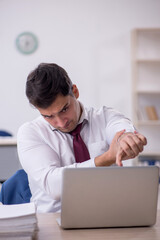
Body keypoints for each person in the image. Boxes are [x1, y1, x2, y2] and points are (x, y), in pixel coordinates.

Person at [17, 63, 147, 213]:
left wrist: (125, 138)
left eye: (64, 109)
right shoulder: (31, 132)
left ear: (75, 92)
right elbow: (53, 185)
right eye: (48, 116)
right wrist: (105, 158)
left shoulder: (105, 117)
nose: (61, 122)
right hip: (52, 222)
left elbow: (120, 127)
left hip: (108, 215)